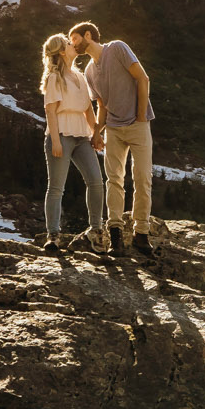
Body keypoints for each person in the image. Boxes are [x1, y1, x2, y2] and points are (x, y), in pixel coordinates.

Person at [69, 21, 155, 257]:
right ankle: (115, 235)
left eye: (75, 38)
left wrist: (139, 116)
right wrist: (97, 131)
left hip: (138, 125)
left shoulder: (117, 48)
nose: (72, 43)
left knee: (142, 179)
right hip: (114, 130)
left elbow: (142, 78)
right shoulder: (88, 71)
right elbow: (101, 105)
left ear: (88, 35)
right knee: (114, 180)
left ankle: (141, 234)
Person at [38, 33, 107, 254]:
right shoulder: (54, 77)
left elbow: (88, 109)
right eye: (68, 44)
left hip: (81, 135)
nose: (73, 45)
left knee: (96, 181)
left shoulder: (79, 76)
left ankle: (96, 230)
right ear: (60, 51)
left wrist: (96, 133)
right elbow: (50, 110)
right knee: (57, 187)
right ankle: (53, 236)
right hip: (61, 135)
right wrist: (55, 140)